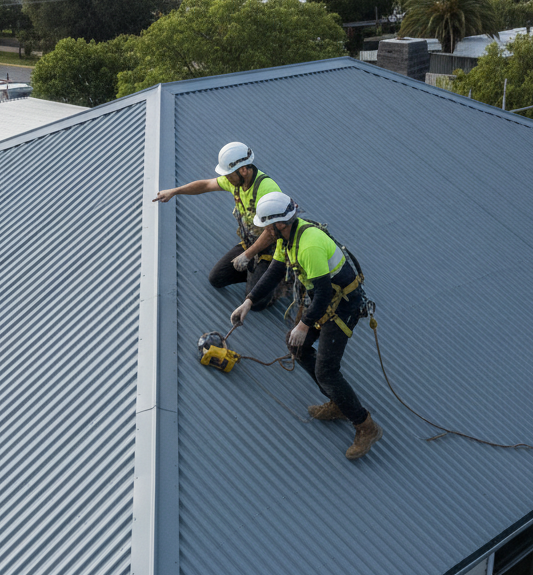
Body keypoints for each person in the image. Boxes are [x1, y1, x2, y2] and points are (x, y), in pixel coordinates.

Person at [230, 192, 383, 460]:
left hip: (342, 306)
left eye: (267, 226)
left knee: (327, 370)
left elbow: (323, 293)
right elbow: (276, 271)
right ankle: (338, 402)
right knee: (295, 345)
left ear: (280, 224)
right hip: (325, 301)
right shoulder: (287, 239)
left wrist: (303, 325)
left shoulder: (309, 245)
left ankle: (366, 426)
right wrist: (249, 302)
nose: (264, 230)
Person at [154, 141, 282, 308]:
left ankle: (279, 274)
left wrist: (247, 255)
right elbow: (206, 185)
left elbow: (272, 232)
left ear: (243, 170)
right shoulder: (235, 181)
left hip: (272, 249)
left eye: (229, 175)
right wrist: (174, 191)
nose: (226, 179)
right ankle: (259, 274)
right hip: (251, 242)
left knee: (256, 304)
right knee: (217, 278)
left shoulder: (267, 190)